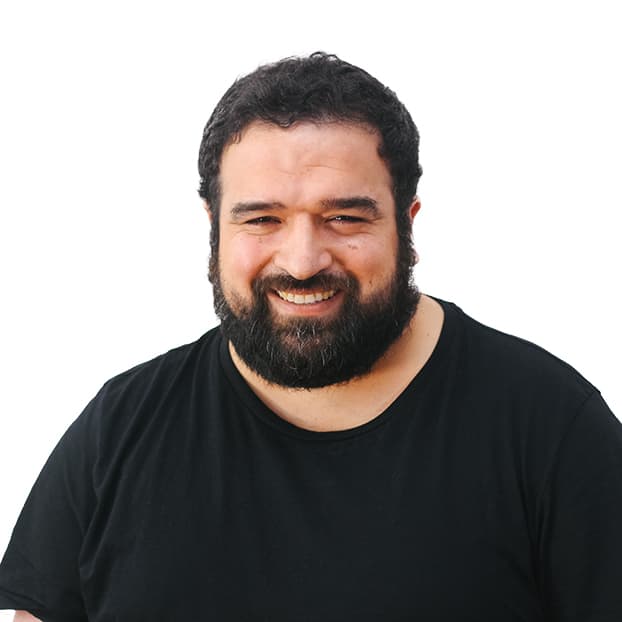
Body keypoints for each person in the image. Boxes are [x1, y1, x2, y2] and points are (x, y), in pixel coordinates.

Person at [1, 52, 621, 622]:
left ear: (406, 227)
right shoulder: (120, 428)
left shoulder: (551, 428)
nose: (301, 261)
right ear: (214, 229)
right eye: (262, 219)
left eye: (344, 218)